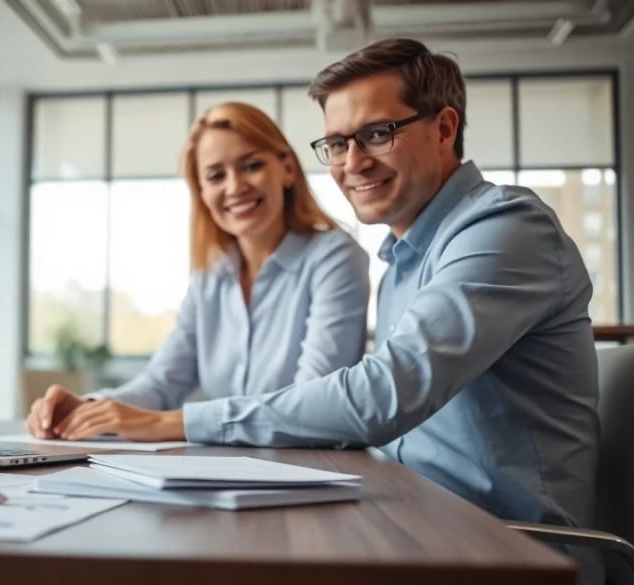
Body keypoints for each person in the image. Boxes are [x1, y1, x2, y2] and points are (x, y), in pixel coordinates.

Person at [33, 39, 604, 584]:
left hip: (506, 547)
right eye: (337, 143)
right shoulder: (404, 259)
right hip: (410, 517)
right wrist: (92, 412)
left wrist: (171, 422)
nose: (353, 162)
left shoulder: (503, 229)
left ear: (444, 127)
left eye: (377, 134)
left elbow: (381, 397)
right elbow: (169, 378)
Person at [25, 101, 370, 442]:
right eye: (216, 176)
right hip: (231, 470)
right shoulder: (210, 276)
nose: (234, 187)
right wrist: (88, 409)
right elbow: (162, 383)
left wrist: (168, 424)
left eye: (251, 165)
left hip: (311, 470)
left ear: (287, 169)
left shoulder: (335, 257)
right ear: (202, 192)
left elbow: (312, 404)